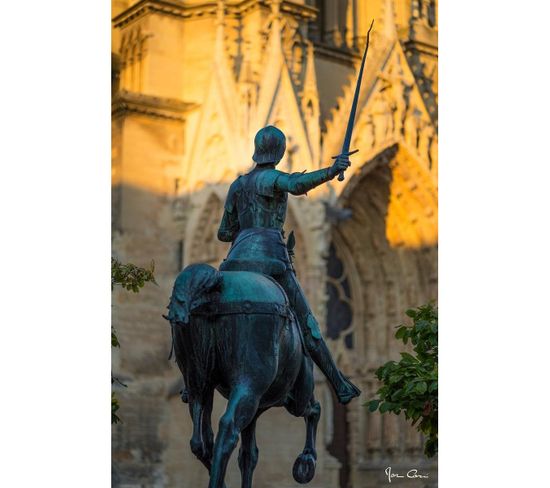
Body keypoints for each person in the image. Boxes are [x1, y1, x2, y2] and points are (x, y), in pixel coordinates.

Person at [217, 126, 360, 404]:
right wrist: (332, 171)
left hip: (234, 262)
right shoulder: (271, 178)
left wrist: (245, 228)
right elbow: (296, 185)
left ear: (257, 149)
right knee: (308, 323)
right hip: (271, 260)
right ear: (279, 152)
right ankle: (339, 382)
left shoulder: (238, 185)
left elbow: (224, 233)